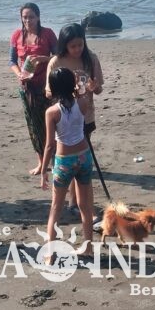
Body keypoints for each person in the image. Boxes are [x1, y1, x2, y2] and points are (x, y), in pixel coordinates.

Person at [45, 23, 103, 218]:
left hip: (85, 116)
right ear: (65, 45)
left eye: (80, 45)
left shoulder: (91, 59)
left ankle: (84, 205)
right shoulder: (56, 62)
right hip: (63, 118)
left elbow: (99, 89)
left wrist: (93, 87)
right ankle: (73, 201)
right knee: (69, 159)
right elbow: (48, 92)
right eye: (73, 46)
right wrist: (69, 90)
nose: (77, 49)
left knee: (82, 160)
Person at [41, 68, 95, 258]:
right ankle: (88, 247)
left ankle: (50, 253)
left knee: (56, 207)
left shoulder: (51, 112)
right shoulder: (82, 103)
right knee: (85, 206)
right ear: (72, 84)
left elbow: (49, 145)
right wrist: (80, 83)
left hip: (64, 160)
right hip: (84, 156)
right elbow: (82, 93)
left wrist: (43, 170)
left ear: (53, 88)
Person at [8, 3, 57, 175]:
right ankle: (41, 162)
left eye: (31, 17)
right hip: (27, 87)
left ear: (38, 17)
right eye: (25, 17)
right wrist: (19, 74)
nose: (28, 20)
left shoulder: (48, 34)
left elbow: (59, 56)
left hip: (47, 86)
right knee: (34, 126)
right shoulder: (17, 35)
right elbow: (12, 61)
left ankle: (56, 161)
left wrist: (43, 59)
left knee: (51, 124)